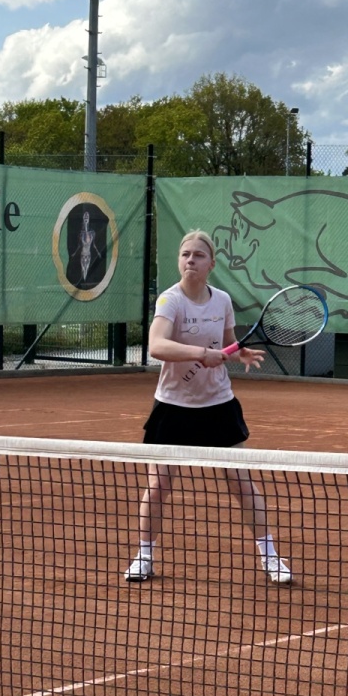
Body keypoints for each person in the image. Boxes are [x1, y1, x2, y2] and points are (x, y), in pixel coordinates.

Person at [124, 228, 292, 584]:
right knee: (158, 486)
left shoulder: (222, 301)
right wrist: (202, 353)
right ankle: (144, 557)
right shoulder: (170, 301)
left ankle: (270, 557)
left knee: (241, 483)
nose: (190, 260)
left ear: (211, 264)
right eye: (185, 254)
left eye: (198, 255)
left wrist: (237, 352)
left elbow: (227, 342)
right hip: (173, 406)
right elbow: (156, 346)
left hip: (218, 404)